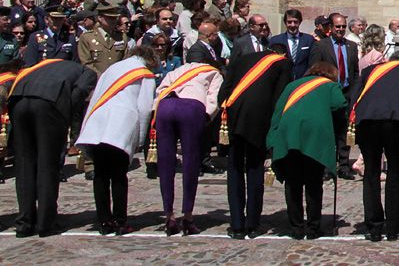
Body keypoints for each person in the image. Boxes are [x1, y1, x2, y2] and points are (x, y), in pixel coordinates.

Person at [8, 51, 96, 237]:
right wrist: (70, 121)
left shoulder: (38, 67)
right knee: (48, 164)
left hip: (18, 101)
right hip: (49, 105)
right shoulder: (85, 71)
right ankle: (45, 223)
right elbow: (79, 93)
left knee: (24, 165)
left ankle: (24, 223)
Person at [349, 52, 399, 241]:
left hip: (367, 122)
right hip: (397, 123)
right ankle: (394, 227)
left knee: (371, 172)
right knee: (396, 171)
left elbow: (354, 98)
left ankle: (374, 227)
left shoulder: (370, 71)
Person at [76, 45, 158, 235]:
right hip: (121, 124)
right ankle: (120, 221)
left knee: (101, 175)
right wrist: (139, 138)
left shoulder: (112, 69)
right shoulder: (144, 74)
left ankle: (104, 221)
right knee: (119, 176)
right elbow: (145, 108)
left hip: (98, 122)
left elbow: (96, 96)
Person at [217, 40, 293, 239]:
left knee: (234, 170)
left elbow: (223, 93)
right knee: (254, 168)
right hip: (259, 119)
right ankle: (252, 222)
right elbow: (281, 99)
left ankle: (236, 224)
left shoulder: (243, 60)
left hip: (233, 118)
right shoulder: (283, 64)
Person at [267, 62, 347, 239]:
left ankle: (296, 226)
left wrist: (272, 141)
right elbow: (340, 105)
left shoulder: (292, 85)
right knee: (313, 183)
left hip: (289, 137)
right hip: (314, 138)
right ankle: (313, 227)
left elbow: (278, 111)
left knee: (293, 182)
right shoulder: (330, 86)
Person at [153, 59, 224, 235]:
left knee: (166, 162)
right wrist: (206, 117)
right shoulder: (214, 73)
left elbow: (160, 91)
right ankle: (188, 216)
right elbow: (214, 97)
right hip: (191, 108)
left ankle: (169, 215)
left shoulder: (177, 71)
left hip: (166, 106)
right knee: (191, 162)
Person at [310, 13, 359, 179]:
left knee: (344, 131)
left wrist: (354, 92)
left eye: (343, 27)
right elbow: (314, 70)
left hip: (346, 93)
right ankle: (326, 166)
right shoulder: (321, 46)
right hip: (327, 94)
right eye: (338, 26)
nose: (341, 30)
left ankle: (344, 165)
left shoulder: (351, 46)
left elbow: (354, 72)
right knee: (328, 130)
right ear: (330, 28)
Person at [77, 1, 129, 77]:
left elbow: (126, 59)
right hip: (95, 81)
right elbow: (86, 63)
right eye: (109, 18)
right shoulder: (87, 37)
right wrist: (101, 77)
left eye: (115, 18)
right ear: (100, 18)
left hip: (117, 80)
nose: (113, 21)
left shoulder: (121, 36)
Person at [269, 9, 315, 79]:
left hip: (302, 80)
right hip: (283, 80)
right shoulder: (275, 40)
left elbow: (312, 63)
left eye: (295, 22)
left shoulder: (308, 40)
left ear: (300, 22)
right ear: (285, 22)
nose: (292, 25)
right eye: (289, 22)